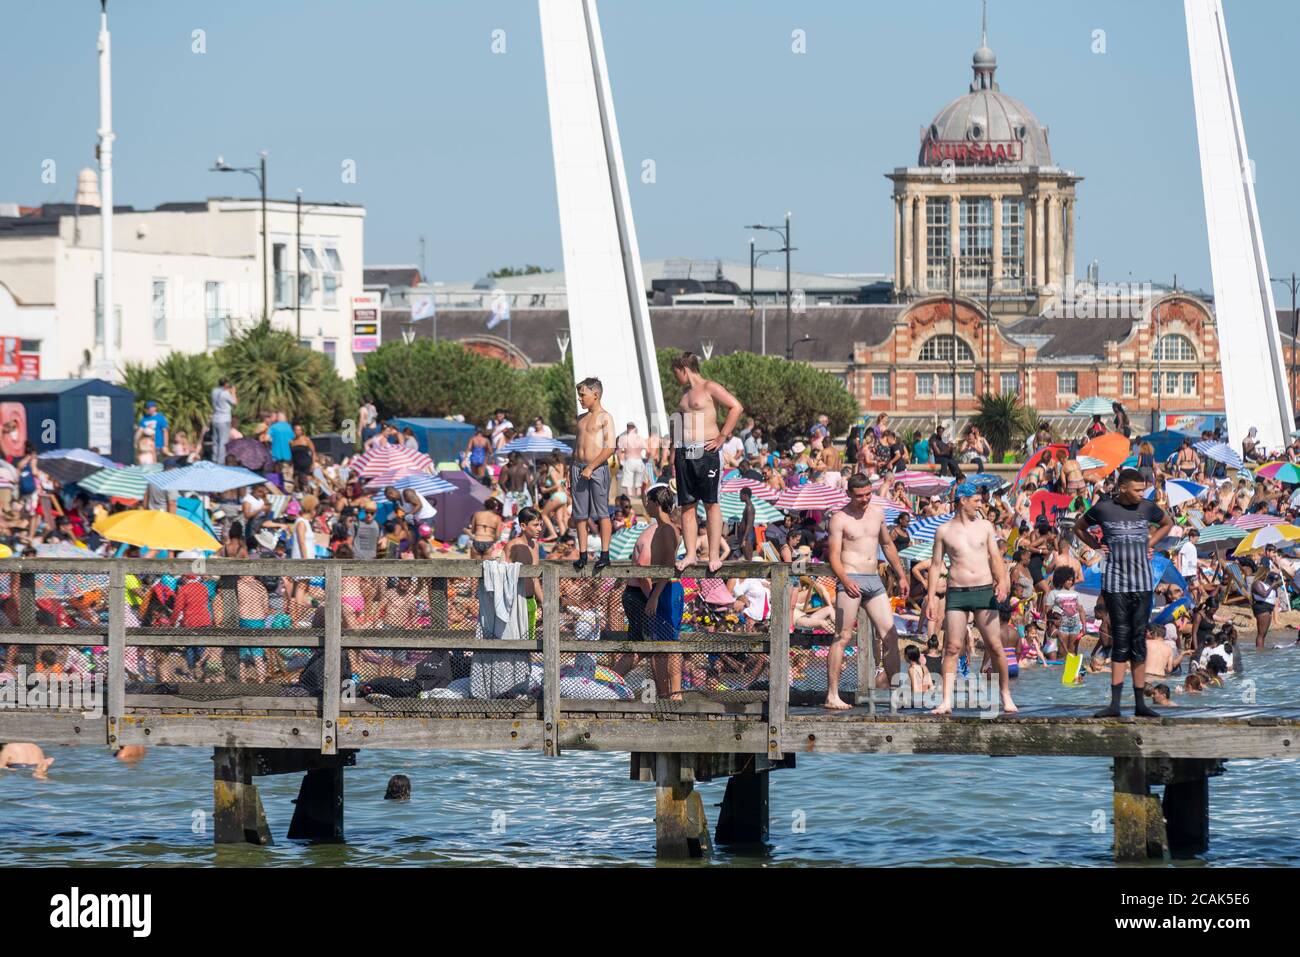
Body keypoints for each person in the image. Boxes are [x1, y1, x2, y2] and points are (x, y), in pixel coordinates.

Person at [1073, 468, 1174, 717]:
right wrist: (1096, 545)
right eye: (1138, 490)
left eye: (1143, 490)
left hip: (1142, 583)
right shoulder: (1104, 508)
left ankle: (1141, 704)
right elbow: (1078, 528)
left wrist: (1149, 543)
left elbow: (1167, 523)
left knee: (1138, 640)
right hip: (1115, 583)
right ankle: (1115, 705)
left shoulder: (1147, 507)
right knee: (1120, 640)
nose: (1142, 494)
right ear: (1123, 488)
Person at [925, 482, 1017, 715]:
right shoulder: (944, 530)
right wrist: (931, 596)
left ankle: (1005, 695)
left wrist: (1003, 582)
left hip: (984, 590)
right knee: (953, 646)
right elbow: (936, 565)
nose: (980, 505)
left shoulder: (985, 526)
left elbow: (995, 557)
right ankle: (946, 700)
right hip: (957, 592)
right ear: (963, 500)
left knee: (995, 646)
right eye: (976, 501)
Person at [825, 473, 909, 710]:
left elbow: (887, 544)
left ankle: (895, 693)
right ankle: (832, 695)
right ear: (849, 493)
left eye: (868, 494)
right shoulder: (839, 518)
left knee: (891, 635)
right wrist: (844, 579)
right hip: (850, 578)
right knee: (842, 636)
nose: (865, 499)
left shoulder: (878, 513)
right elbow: (833, 555)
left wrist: (901, 574)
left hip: (873, 579)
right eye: (860, 495)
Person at [669, 351, 744, 573]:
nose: (676, 378)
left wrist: (722, 436)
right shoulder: (684, 395)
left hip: (707, 450)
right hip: (686, 451)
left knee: (711, 503)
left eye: (676, 373)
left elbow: (736, 407)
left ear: (684, 368)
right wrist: (673, 452)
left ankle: (713, 554)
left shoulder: (710, 387)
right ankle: (691, 553)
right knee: (687, 506)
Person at [620, 484, 684, 697]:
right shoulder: (659, 529)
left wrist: (653, 597)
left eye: (648, 501)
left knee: (666, 644)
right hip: (659, 590)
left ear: (657, 503)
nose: (645, 505)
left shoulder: (666, 529)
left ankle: (673, 693)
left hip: (663, 590)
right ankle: (668, 693)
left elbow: (666, 566)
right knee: (657, 645)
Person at [570, 377, 616, 574]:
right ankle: (582, 554)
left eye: (583, 395)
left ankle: (605, 554)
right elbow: (576, 446)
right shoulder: (581, 418)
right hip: (577, 468)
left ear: (595, 395)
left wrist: (591, 467)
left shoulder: (605, 417)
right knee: (580, 515)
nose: (580, 398)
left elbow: (610, 447)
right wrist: (569, 471)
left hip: (596, 469)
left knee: (602, 512)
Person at [615, 421, 647, 503]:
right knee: (638, 483)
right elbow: (648, 450)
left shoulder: (624, 438)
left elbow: (619, 451)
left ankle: (631, 500)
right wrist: (646, 459)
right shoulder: (640, 438)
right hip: (639, 460)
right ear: (635, 428)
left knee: (628, 482)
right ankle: (639, 499)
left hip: (629, 460)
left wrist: (621, 461)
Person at [210, 378, 237, 465]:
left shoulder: (214, 391)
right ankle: (220, 462)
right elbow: (235, 402)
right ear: (226, 384)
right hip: (224, 419)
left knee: (216, 441)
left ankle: (214, 459)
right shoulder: (225, 394)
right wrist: (233, 392)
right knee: (223, 441)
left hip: (215, 418)